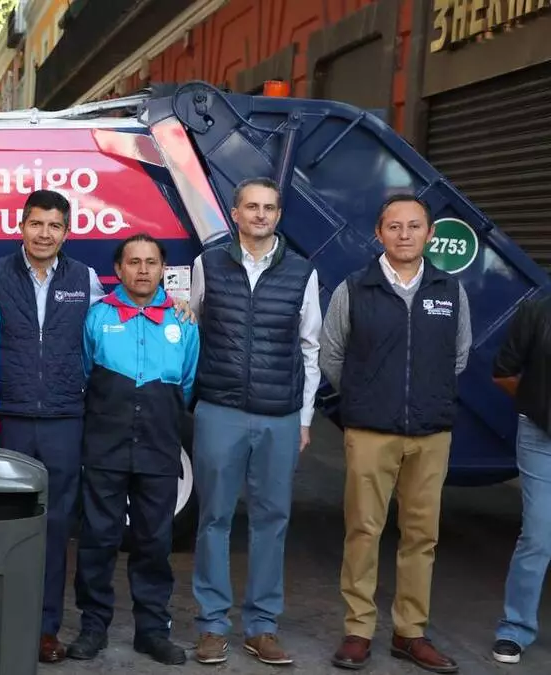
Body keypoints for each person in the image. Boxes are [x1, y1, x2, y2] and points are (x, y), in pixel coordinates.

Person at [0, 190, 185, 662]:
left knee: (53, 529)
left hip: (65, 423)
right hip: (9, 419)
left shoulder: (84, 279)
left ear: (66, 232)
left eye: (54, 226)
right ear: (21, 227)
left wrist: (176, 305)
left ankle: (44, 629)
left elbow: (127, 312)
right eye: (36, 224)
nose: (44, 233)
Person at [319, 194, 470, 673]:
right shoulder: (355, 288)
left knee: (421, 537)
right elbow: (331, 355)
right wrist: (368, 396)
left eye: (414, 226)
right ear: (379, 233)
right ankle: (358, 629)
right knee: (364, 530)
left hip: (430, 434)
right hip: (369, 432)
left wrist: (422, 396)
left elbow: (458, 356)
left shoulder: (450, 289)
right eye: (394, 226)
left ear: (429, 234)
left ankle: (410, 632)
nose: (404, 235)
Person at [189, 177, 320, 666]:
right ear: (235, 213)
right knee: (214, 519)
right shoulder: (208, 264)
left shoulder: (302, 272)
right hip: (219, 410)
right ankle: (211, 625)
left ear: (278, 216)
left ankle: (262, 626)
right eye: (252, 207)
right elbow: (194, 325)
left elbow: (311, 348)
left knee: (271, 520)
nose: (261, 215)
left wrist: (304, 418)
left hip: (279, 417)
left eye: (269, 208)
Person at [67, 234, 199, 666]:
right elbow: (85, 373)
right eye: (133, 262)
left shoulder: (183, 322)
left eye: (151, 262)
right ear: (119, 270)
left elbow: (187, 383)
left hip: (160, 448)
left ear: (163, 269)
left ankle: (152, 630)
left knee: (154, 542)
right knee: (98, 539)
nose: (142, 270)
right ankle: (93, 626)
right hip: (105, 445)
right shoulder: (97, 317)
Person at [491, 291, 551, 666]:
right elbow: (503, 370)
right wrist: (537, 405)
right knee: (538, 535)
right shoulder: (539, 306)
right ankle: (515, 628)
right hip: (541, 436)